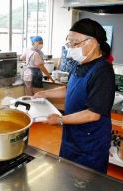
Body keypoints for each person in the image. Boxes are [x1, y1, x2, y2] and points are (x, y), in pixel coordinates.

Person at [34, 18, 115, 174]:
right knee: (67, 175)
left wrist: (59, 119)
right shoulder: (80, 64)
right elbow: (69, 89)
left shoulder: (103, 71)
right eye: (69, 43)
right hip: (72, 135)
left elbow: (93, 114)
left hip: (90, 140)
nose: (71, 48)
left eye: (75, 43)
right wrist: (44, 94)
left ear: (92, 43)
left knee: (87, 183)